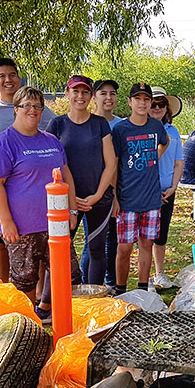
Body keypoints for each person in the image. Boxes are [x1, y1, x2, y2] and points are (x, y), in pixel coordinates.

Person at [0, 86, 76, 323]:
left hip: (55, 225)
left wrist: (72, 209)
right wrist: (6, 222)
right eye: (27, 105)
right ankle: (27, 326)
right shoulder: (3, 143)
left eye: (37, 106)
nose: (33, 110)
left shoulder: (51, 141)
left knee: (66, 275)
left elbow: (66, 175)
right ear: (16, 110)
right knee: (25, 279)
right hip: (22, 227)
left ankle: (63, 321)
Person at [0, 58, 57, 282]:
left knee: (40, 247)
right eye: (2, 76)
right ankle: (3, 288)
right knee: (1, 242)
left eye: (12, 75)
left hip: (33, 190)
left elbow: (54, 134)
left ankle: (41, 300)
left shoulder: (38, 109)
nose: (8, 80)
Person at [45, 75, 117, 285]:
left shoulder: (100, 124)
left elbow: (110, 164)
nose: (80, 96)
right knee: (59, 250)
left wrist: (97, 195)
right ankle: (52, 302)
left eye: (85, 92)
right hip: (66, 201)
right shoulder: (57, 124)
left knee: (96, 249)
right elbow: (51, 163)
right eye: (75, 91)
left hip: (98, 199)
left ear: (91, 96)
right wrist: (69, 198)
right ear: (67, 94)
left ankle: (93, 298)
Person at [111, 83, 169, 294]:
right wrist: (115, 196)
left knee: (146, 244)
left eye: (146, 99)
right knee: (124, 248)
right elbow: (114, 163)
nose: (142, 103)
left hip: (151, 198)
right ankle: (121, 289)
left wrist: (156, 155)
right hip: (127, 198)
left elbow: (165, 142)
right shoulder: (121, 129)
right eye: (138, 99)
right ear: (130, 102)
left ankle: (143, 289)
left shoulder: (155, 126)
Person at [149, 86, 185, 290]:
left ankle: (159, 273)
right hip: (147, 190)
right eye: (153, 104)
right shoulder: (142, 129)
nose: (157, 108)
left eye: (161, 104)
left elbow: (179, 162)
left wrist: (173, 187)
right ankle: (144, 276)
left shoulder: (173, 131)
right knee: (145, 236)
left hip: (167, 189)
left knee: (161, 234)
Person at [94, 79, 125, 291]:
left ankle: (112, 282)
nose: (108, 98)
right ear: (94, 97)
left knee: (114, 238)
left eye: (112, 93)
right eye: (103, 93)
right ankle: (90, 287)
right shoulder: (87, 122)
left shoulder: (121, 125)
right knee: (94, 242)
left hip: (118, 190)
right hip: (91, 192)